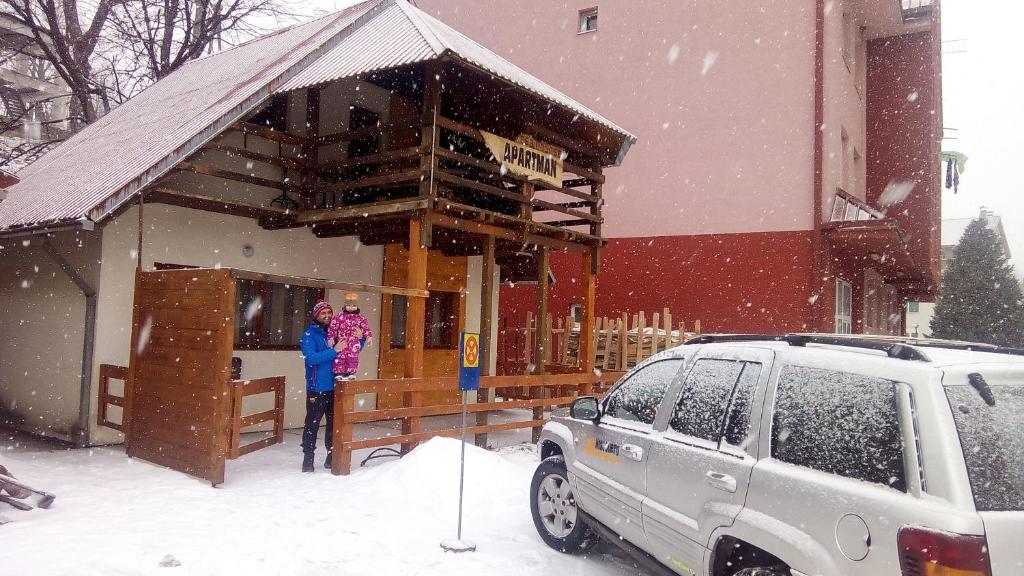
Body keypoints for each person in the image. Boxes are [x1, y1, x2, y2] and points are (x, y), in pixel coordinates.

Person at [298, 300, 345, 472]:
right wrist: (334, 351)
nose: (327, 316)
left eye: (329, 313)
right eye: (323, 313)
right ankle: (308, 459)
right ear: (316, 316)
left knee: (334, 425)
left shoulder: (334, 334)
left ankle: (331, 457)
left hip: (335, 388)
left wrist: (360, 338)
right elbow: (311, 359)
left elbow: (349, 349)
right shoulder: (309, 336)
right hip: (316, 389)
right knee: (312, 425)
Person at [327, 292, 373, 382]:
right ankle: (339, 372)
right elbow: (333, 327)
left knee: (353, 358)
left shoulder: (360, 318)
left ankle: (351, 373)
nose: (351, 307)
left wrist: (368, 336)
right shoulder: (339, 317)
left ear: (357, 307)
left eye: (353, 305)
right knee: (340, 357)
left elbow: (365, 328)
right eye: (349, 305)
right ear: (345, 306)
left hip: (353, 343)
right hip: (342, 341)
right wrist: (331, 337)